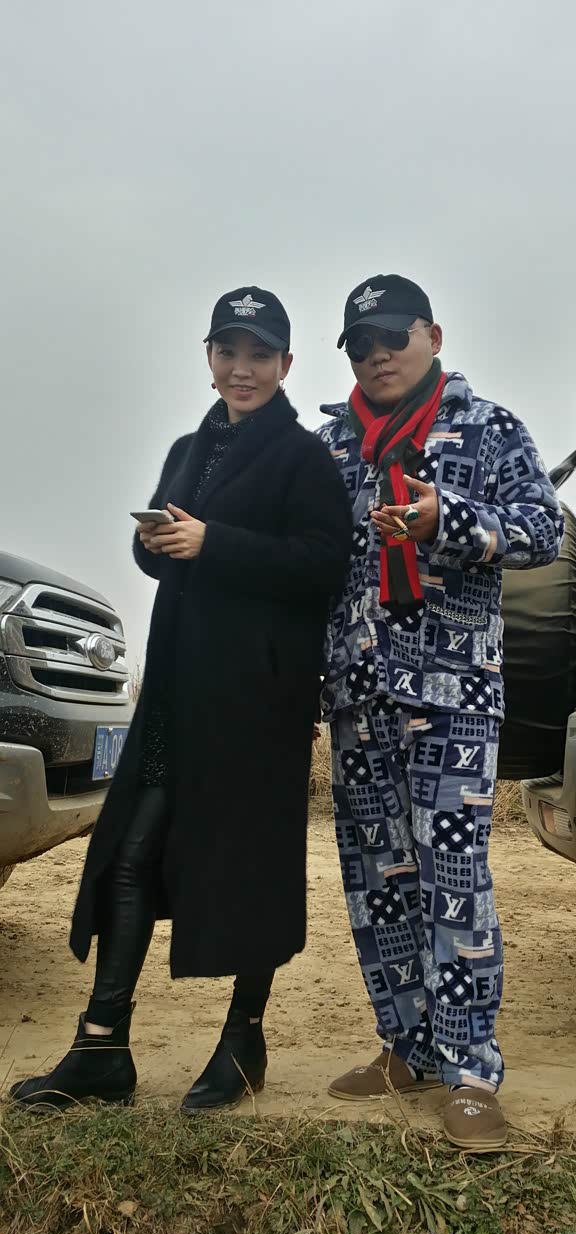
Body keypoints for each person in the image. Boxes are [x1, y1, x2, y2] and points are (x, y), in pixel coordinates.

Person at [10, 286, 353, 1114]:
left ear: (286, 365)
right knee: (130, 852)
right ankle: (102, 1048)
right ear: (208, 358)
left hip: (260, 697)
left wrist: (213, 541)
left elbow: (323, 565)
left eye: (259, 354)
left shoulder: (304, 458)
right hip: (175, 688)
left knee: (252, 865)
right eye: (228, 351)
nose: (243, 368)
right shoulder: (185, 450)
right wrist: (153, 544)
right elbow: (166, 563)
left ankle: (243, 1040)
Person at [317, 274, 563, 1151]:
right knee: (375, 882)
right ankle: (407, 1048)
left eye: (393, 336)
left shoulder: (490, 428)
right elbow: (311, 561)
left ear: (433, 335)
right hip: (358, 695)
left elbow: (544, 529)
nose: (377, 354)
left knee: (453, 879)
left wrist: (446, 520)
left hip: (454, 693)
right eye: (360, 343)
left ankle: (469, 1075)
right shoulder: (333, 445)